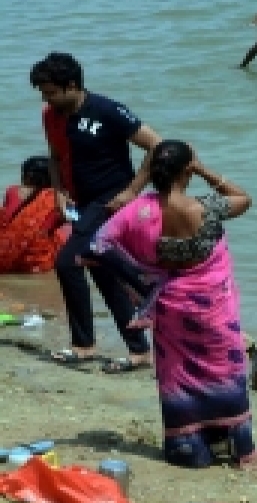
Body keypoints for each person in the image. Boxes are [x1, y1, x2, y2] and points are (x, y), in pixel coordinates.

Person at [89, 141, 257, 469]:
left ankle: (188, 446)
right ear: (188, 170)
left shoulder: (138, 212)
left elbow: (98, 243)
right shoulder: (203, 208)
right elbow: (244, 199)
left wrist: (140, 281)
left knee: (179, 374)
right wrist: (204, 169)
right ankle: (242, 450)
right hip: (213, 305)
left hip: (170, 305)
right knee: (224, 369)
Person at [31, 52, 162, 372]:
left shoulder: (106, 110)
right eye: (43, 93)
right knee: (103, 273)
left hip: (110, 200)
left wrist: (132, 191)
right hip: (81, 203)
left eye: (50, 92)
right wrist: (59, 192)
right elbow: (54, 155)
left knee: (68, 261)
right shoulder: (52, 115)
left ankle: (83, 344)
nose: (46, 100)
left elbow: (158, 145)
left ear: (72, 85)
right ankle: (138, 350)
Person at [0, 157, 70, 274]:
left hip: (4, 255)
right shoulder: (58, 198)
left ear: (26, 177)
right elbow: (75, 222)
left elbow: (8, 221)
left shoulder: (12, 191)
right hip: (35, 261)